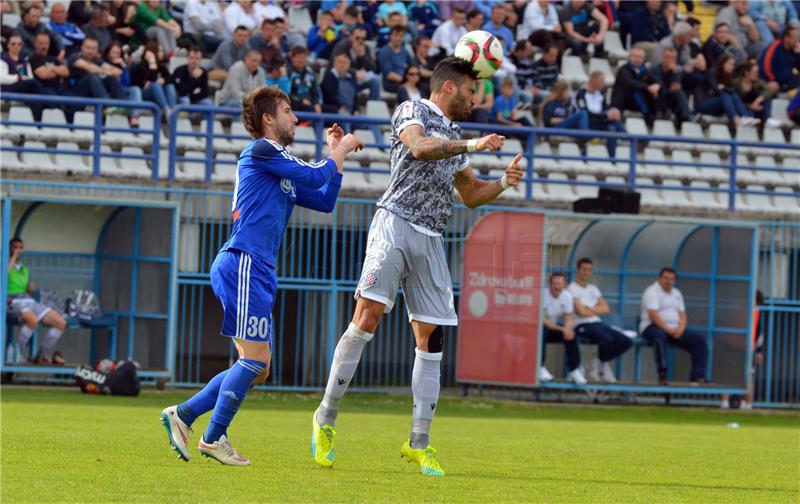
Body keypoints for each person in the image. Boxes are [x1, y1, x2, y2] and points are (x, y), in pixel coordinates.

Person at [311, 57, 521, 477]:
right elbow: (420, 148)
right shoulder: (413, 111)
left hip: (431, 237)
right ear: (447, 88)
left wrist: (501, 182)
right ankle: (325, 418)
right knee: (366, 319)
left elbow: (469, 194)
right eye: (469, 91)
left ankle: (418, 443)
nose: (474, 100)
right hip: (394, 223)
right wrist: (474, 146)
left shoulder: (457, 135)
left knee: (432, 340)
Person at [160, 86, 364, 466]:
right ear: (268, 119)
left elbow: (324, 198)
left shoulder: (278, 166)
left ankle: (183, 415)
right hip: (244, 262)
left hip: (256, 267)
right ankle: (213, 437)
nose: (294, 117)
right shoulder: (263, 150)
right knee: (254, 363)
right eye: (287, 110)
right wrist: (340, 148)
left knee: (258, 367)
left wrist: (335, 154)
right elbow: (319, 171)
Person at [568, 258, 632, 383]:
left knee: (625, 341)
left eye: (589, 270)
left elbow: (606, 308)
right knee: (606, 338)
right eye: (584, 269)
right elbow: (581, 312)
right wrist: (595, 309)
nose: (586, 273)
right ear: (578, 270)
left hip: (597, 323)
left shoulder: (593, 289)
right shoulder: (571, 288)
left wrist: (588, 309)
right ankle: (601, 364)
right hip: (581, 325)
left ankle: (599, 362)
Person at [640, 267, 708, 384]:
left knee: (699, 341)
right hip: (652, 326)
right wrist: (669, 331)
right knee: (659, 337)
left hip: (675, 329)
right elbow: (653, 316)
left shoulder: (677, 293)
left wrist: (680, 329)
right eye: (666, 278)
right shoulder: (652, 292)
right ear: (660, 278)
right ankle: (662, 375)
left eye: (671, 279)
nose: (668, 281)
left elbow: (682, 314)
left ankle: (697, 376)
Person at [7, 238, 67, 365]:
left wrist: (30, 289)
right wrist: (12, 258)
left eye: (20, 247)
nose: (18, 250)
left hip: (27, 300)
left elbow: (28, 290)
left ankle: (40, 355)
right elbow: (4, 275)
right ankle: (17, 354)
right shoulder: (4, 262)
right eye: (15, 247)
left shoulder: (24, 268)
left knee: (60, 322)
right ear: (10, 249)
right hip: (10, 300)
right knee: (32, 320)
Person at [540, 272, 587, 385]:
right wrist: (562, 329)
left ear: (564, 285)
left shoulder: (567, 296)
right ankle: (539, 367)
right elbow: (543, 320)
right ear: (549, 284)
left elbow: (569, 317)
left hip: (554, 328)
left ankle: (574, 370)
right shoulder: (543, 295)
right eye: (554, 284)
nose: (557, 287)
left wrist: (567, 329)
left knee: (572, 335)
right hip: (539, 328)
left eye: (559, 284)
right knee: (542, 333)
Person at [573, 71, 625, 157]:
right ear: (594, 81)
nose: (604, 83)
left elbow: (605, 108)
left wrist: (613, 111)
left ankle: (612, 158)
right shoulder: (581, 94)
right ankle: (628, 137)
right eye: (602, 81)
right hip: (588, 123)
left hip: (600, 122)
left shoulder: (600, 93)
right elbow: (584, 112)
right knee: (612, 123)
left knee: (612, 128)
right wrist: (605, 115)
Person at [697, 54, 758, 126]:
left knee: (734, 96)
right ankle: (736, 119)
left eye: (733, 65)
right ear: (724, 63)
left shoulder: (729, 76)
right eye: (731, 64)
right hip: (704, 104)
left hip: (720, 105)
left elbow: (734, 91)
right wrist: (724, 89)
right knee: (725, 96)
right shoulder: (712, 72)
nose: (732, 67)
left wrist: (724, 88)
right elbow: (717, 90)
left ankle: (746, 117)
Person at [0, 34, 50, 121]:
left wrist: (24, 79)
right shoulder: (3, 60)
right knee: (34, 84)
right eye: (13, 44)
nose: (16, 46)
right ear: (8, 45)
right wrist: (19, 78)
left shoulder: (24, 61)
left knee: (35, 97)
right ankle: (49, 103)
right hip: (8, 88)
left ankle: (37, 123)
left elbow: (29, 76)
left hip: (23, 87)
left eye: (19, 44)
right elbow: (2, 78)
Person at [66, 37, 126, 102]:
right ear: (82, 47)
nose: (90, 51)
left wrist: (110, 71)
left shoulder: (97, 61)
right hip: (75, 90)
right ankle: (107, 105)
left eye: (93, 48)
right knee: (91, 77)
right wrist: (107, 71)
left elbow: (118, 71)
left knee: (112, 78)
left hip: (93, 90)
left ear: (97, 50)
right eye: (88, 47)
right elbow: (89, 67)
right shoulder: (75, 57)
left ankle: (123, 106)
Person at [331, 25, 381, 101]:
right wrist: (355, 73)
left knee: (376, 80)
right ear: (351, 37)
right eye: (357, 38)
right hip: (342, 78)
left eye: (363, 39)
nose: (360, 41)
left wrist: (362, 56)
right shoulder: (342, 46)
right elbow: (335, 65)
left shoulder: (365, 47)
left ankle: (373, 108)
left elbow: (373, 69)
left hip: (356, 79)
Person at [611, 47, 660, 126]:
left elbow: (656, 80)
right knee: (622, 90)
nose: (637, 59)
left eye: (640, 57)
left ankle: (656, 118)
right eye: (635, 56)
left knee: (657, 93)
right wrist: (647, 87)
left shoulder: (644, 70)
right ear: (630, 57)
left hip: (639, 100)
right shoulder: (623, 70)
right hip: (625, 100)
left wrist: (657, 86)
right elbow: (629, 82)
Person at [132, 40, 177, 116]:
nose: (162, 53)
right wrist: (152, 62)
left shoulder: (161, 66)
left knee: (170, 86)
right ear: (153, 52)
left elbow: (171, 79)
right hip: (144, 93)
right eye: (160, 51)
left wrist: (163, 80)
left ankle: (172, 111)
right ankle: (166, 110)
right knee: (154, 84)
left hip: (159, 93)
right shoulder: (141, 65)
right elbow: (153, 79)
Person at [649, 47, 692, 124]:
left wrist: (674, 73)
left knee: (680, 93)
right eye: (668, 57)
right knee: (678, 94)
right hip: (656, 99)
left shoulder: (675, 71)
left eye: (673, 58)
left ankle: (684, 118)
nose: (670, 60)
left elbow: (676, 86)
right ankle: (687, 117)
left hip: (670, 98)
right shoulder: (654, 70)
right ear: (663, 58)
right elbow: (659, 87)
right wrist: (669, 89)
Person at [104, 40, 142, 124]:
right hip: (108, 91)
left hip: (121, 90)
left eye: (118, 53)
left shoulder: (121, 65)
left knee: (135, 89)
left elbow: (126, 83)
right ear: (108, 52)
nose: (115, 55)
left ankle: (135, 118)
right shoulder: (103, 62)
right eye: (113, 52)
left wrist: (124, 66)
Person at [758, 25, 800, 91]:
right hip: (775, 81)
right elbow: (765, 65)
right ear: (786, 38)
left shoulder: (793, 49)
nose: (797, 40)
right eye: (794, 37)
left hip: (788, 80)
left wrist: (797, 54)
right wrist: (772, 80)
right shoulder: (775, 46)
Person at [737, 61, 780, 126]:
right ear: (746, 73)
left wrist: (758, 100)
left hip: (758, 108)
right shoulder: (737, 84)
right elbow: (736, 101)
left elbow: (769, 90)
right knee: (749, 113)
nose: (757, 74)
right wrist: (750, 106)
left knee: (766, 96)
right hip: (744, 109)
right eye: (754, 72)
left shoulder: (757, 81)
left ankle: (768, 119)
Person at [287, 45, 322, 113]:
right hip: (295, 103)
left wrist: (317, 103)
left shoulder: (310, 72)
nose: (301, 60)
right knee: (309, 109)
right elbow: (287, 93)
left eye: (303, 57)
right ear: (292, 58)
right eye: (298, 57)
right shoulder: (288, 72)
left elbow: (316, 91)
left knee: (333, 110)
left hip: (311, 103)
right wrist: (301, 100)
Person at [378, 26, 411, 93]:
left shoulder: (404, 50)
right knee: (404, 88)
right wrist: (406, 81)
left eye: (401, 36)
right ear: (391, 36)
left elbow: (412, 65)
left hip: (403, 81)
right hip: (391, 84)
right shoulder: (384, 51)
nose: (398, 38)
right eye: (396, 35)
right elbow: (389, 74)